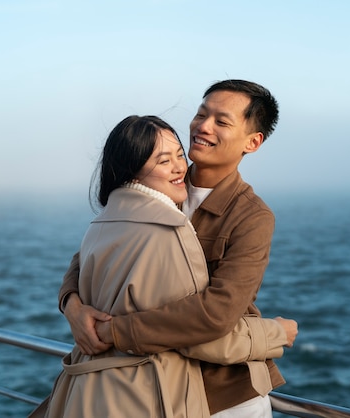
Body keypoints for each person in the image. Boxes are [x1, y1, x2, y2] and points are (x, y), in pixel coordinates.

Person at [60, 80, 298, 417]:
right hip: (154, 387)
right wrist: (72, 307)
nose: (203, 127)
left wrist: (111, 331)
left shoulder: (251, 216)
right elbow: (91, 251)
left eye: (221, 121)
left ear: (253, 141)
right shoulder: (159, 182)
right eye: (201, 114)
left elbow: (216, 314)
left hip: (225, 396)